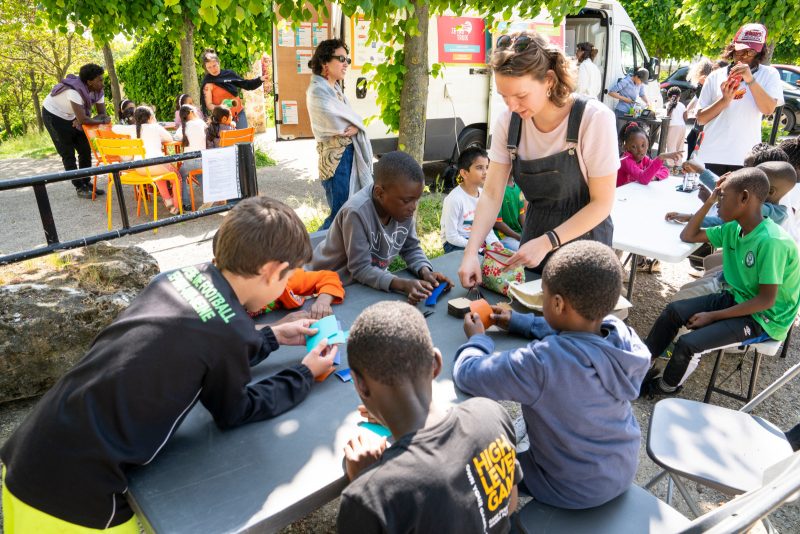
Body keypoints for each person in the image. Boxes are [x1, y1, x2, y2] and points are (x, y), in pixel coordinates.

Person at [0, 197, 337, 532]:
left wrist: (271, 337)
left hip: (29, 453)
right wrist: (304, 373)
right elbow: (235, 410)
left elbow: (201, 343)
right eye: (290, 275)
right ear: (273, 271)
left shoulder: (178, 278)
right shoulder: (230, 333)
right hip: (77, 499)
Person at [453, 241, 651, 509]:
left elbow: (469, 373)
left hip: (569, 486)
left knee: (469, 467)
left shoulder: (542, 362)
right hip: (620, 468)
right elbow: (577, 337)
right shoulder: (620, 336)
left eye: (543, 295)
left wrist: (477, 341)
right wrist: (519, 321)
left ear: (557, 303)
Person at [337, 301, 522, 533]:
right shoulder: (492, 414)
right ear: (435, 363)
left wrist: (367, 479)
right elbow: (510, 505)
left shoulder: (369, 497)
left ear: (360, 385)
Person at [458, 31, 619, 287]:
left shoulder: (594, 119)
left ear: (549, 80)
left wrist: (548, 242)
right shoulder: (508, 123)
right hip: (534, 234)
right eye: (503, 96)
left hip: (586, 240)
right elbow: (491, 195)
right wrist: (470, 253)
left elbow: (602, 203)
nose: (511, 106)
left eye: (520, 96)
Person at [640, 168, 800, 397]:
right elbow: (689, 236)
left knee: (688, 344)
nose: (718, 203)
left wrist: (712, 316)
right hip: (739, 297)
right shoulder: (733, 228)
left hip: (765, 318)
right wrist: (711, 199)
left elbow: (766, 300)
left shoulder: (771, 241)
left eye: (723, 197)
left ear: (744, 198)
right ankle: (642, 362)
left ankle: (665, 387)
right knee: (673, 311)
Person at [311, 151, 451, 305]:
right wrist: (403, 285)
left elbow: (411, 248)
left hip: (361, 286)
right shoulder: (356, 212)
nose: (413, 207)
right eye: (407, 200)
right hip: (324, 287)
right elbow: (361, 269)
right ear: (379, 193)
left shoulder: (402, 209)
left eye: (416, 199)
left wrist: (425, 272)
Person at [694, 23, 784, 176]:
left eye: (749, 52)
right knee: (708, 198)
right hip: (712, 154)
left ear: (759, 52)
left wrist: (750, 79)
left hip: (745, 157)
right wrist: (724, 101)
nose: (743, 56)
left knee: (741, 200)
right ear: (732, 48)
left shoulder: (769, 74)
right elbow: (700, 119)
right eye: (739, 50)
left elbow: (768, 109)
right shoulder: (716, 76)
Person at [306, 38, 374, 230]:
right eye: (341, 59)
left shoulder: (335, 89)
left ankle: (338, 256)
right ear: (325, 62)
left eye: (348, 60)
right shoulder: (318, 90)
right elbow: (340, 122)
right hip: (335, 160)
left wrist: (356, 126)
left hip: (347, 156)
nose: (346, 64)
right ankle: (310, 254)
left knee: (349, 212)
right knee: (340, 215)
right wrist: (356, 125)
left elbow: (351, 121)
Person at [42, 63, 110, 199]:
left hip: (73, 115)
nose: (103, 83)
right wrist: (85, 119)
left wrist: (84, 119)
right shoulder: (74, 91)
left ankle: (86, 182)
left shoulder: (98, 91)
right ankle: (79, 187)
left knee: (84, 148)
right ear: (89, 82)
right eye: (100, 80)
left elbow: (102, 114)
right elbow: (96, 119)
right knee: (67, 153)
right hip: (53, 115)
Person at [113, 106, 181, 214]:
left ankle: (168, 202)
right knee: (176, 177)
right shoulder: (155, 127)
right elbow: (169, 138)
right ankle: (177, 208)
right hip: (155, 165)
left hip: (140, 168)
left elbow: (114, 128)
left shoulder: (133, 129)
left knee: (159, 176)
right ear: (150, 117)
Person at [440, 147, 501, 253]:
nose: (485, 172)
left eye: (487, 167)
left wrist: (493, 242)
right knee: (479, 263)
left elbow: (486, 226)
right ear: (464, 173)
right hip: (455, 244)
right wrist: (479, 249)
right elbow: (451, 236)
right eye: (479, 168)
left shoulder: (483, 195)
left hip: (478, 240)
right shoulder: (454, 199)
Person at [200, 49, 268, 130]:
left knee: (244, 141)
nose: (213, 69)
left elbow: (246, 84)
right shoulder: (208, 83)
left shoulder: (229, 74)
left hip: (238, 113)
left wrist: (260, 79)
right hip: (222, 119)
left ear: (219, 63)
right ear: (206, 68)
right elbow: (209, 105)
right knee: (229, 142)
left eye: (214, 65)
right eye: (209, 67)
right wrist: (220, 107)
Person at [617, 122, 672, 187]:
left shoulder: (644, 159)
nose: (640, 150)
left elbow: (665, 170)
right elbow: (643, 178)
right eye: (634, 147)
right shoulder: (626, 160)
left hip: (633, 192)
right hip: (620, 194)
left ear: (648, 144)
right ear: (626, 147)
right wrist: (660, 158)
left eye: (643, 145)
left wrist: (655, 177)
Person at [175, 104, 208, 210]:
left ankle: (186, 204)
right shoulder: (202, 123)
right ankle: (208, 198)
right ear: (191, 112)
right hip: (203, 160)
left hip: (189, 162)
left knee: (180, 176)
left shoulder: (183, 127)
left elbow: (176, 137)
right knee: (200, 174)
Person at [685, 58, 715, 159]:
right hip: (702, 119)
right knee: (692, 140)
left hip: (704, 120)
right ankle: (690, 165)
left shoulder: (706, 81)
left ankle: (690, 165)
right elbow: (697, 97)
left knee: (694, 141)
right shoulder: (706, 82)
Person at [493, 173, 526, 251]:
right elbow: (497, 223)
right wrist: (519, 237)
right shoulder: (497, 189)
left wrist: (527, 232)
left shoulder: (517, 187)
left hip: (518, 234)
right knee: (524, 250)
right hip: (502, 237)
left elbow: (521, 213)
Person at [664, 87, 687, 164]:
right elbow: (685, 118)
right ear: (679, 96)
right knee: (679, 147)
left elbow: (668, 117)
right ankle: (678, 164)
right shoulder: (682, 105)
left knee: (671, 147)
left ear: (668, 96)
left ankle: (671, 164)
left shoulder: (668, 105)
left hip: (672, 127)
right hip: (682, 127)